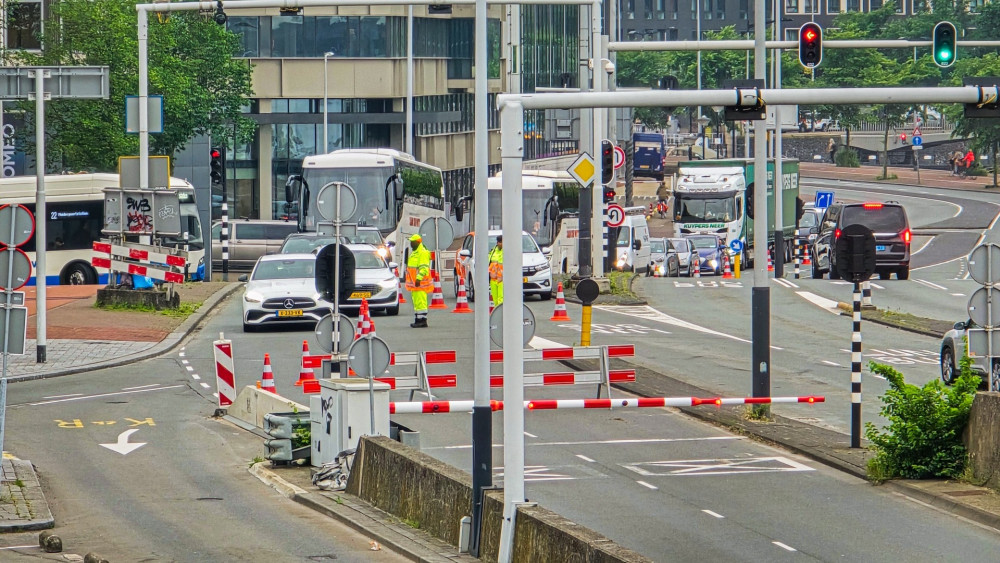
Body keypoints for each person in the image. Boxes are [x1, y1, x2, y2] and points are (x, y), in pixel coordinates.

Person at [404, 234, 433, 328]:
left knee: (421, 302)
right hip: (415, 285)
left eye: (412, 242)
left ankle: (422, 321)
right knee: (417, 302)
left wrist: (418, 278)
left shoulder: (422, 253)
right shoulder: (415, 253)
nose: (411, 244)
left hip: (420, 283)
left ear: (418, 242)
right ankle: (418, 319)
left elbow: (424, 268)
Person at [488, 235, 504, 306]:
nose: (500, 244)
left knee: (501, 299)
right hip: (493, 279)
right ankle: (497, 312)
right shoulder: (493, 251)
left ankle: (501, 312)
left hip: (502, 279)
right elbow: (489, 263)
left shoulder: (507, 251)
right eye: (499, 242)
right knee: (495, 300)